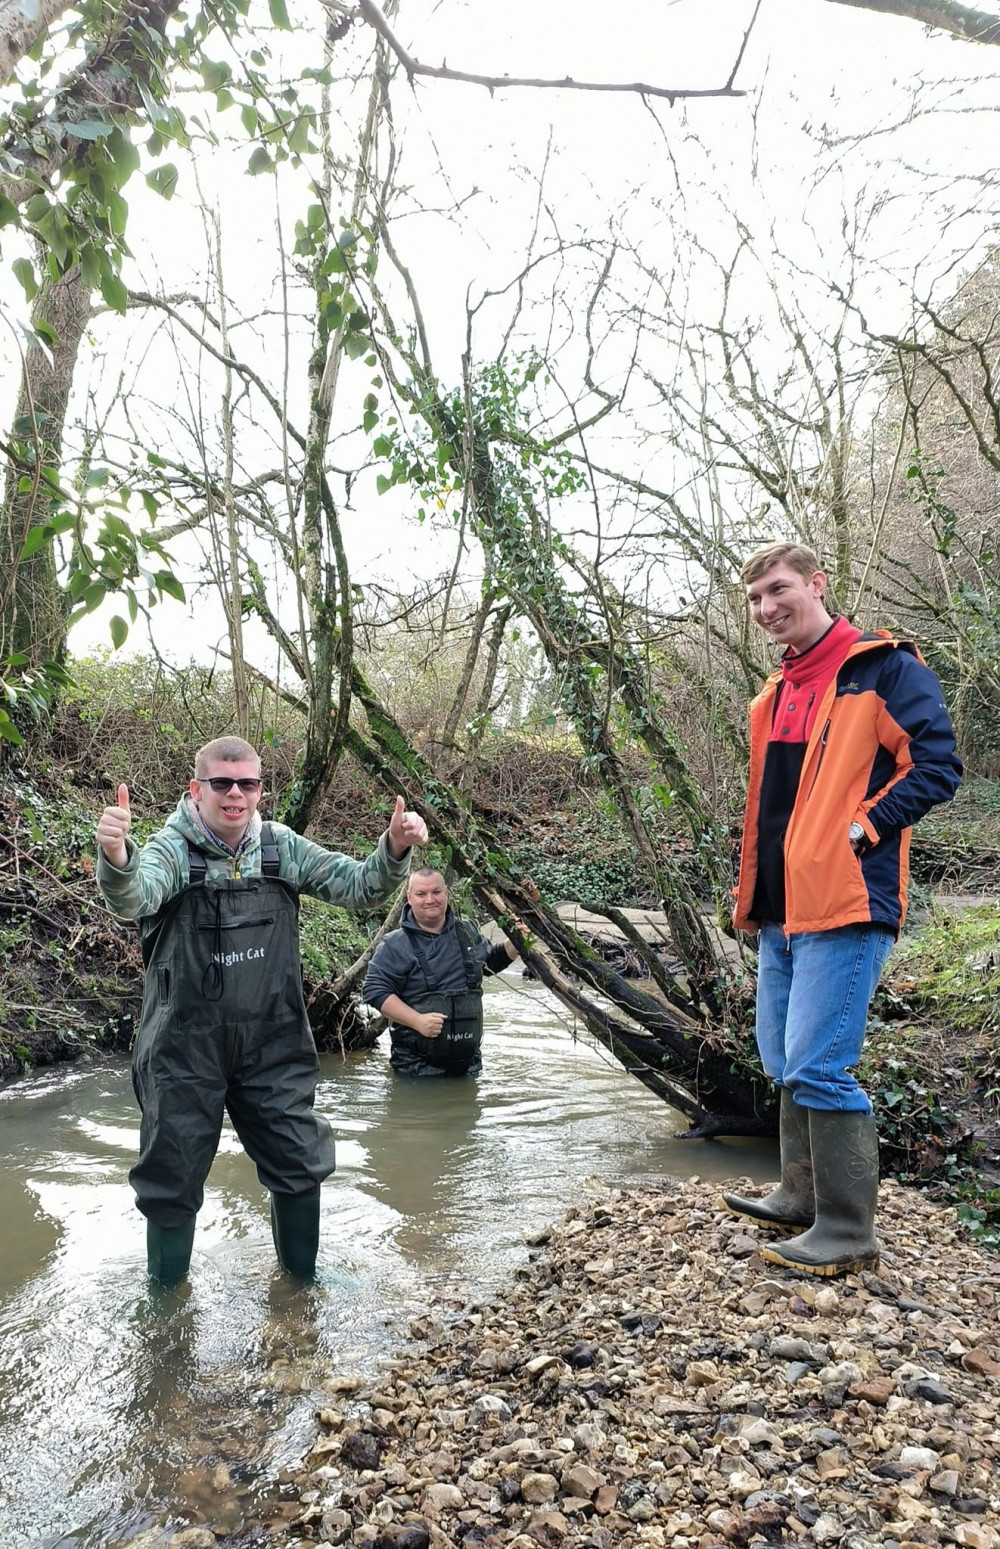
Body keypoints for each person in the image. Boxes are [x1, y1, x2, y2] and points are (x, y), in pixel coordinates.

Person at [95, 735, 428, 1284]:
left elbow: (359, 888)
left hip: (272, 1043)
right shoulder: (172, 850)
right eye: (222, 783)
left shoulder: (280, 849)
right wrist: (116, 858)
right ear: (195, 788)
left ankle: (301, 1295)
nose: (234, 795)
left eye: (246, 784)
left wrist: (393, 848)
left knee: (300, 1165)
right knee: (170, 1181)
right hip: (183, 1049)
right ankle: (165, 1318)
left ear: (259, 790)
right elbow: (135, 897)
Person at [722, 542, 962, 1276]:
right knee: (785, 1060)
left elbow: (938, 763)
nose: (767, 608)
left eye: (779, 589)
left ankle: (849, 1229)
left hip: (849, 901)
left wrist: (863, 828)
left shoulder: (883, 667)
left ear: (817, 583)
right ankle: (801, 1196)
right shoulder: (774, 694)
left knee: (822, 1063)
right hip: (781, 911)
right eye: (756, 598)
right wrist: (757, 897)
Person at [362, 867, 520, 1078]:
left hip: (469, 1068)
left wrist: (519, 943)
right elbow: (374, 991)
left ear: (446, 893)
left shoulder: (466, 931)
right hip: (416, 1071)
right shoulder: (395, 944)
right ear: (409, 898)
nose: (430, 900)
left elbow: (490, 963)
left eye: (436, 892)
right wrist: (417, 1020)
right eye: (421, 894)